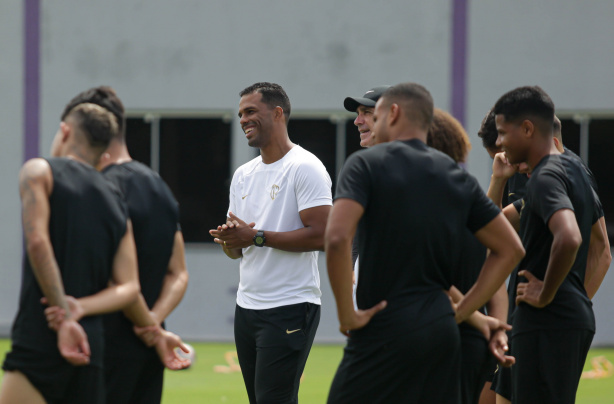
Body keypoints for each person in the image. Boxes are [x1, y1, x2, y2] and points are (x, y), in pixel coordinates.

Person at [325, 83, 524, 403]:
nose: (362, 122)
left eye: (372, 114)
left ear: (393, 113)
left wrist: (347, 314)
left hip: (382, 328)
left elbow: (335, 239)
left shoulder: (365, 165)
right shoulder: (457, 178)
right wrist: (468, 310)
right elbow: (510, 249)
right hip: (441, 332)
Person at [0, 102, 142, 404]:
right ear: (104, 148)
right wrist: (79, 308)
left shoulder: (40, 170)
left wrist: (64, 317)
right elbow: (129, 288)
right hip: (90, 346)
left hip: (41, 335)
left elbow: (38, 242)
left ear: (65, 131)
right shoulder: (117, 200)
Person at [57, 86, 191, 404]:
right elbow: (179, 273)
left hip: (100, 345)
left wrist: (149, 326)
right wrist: (154, 324)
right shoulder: (159, 187)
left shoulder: (98, 190)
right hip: (145, 352)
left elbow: (120, 281)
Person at [209, 82, 332, 403]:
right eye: (239, 114)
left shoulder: (305, 167)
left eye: (250, 111)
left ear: (278, 113)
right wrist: (230, 240)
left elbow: (322, 235)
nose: (243, 120)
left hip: (290, 306)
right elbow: (237, 252)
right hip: (247, 308)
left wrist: (257, 237)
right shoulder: (243, 175)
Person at [487, 86, 597, 403]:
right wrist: (500, 178)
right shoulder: (569, 169)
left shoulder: (545, 178)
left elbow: (570, 236)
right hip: (563, 321)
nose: (499, 143)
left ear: (527, 129)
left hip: (546, 321)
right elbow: (494, 228)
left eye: (503, 133)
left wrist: (544, 290)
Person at [427, 108, 511, 404]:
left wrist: (473, 317)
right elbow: (497, 271)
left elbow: (427, 273)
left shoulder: (418, 204)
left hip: (436, 338)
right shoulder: (470, 195)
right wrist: (497, 327)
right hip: (476, 343)